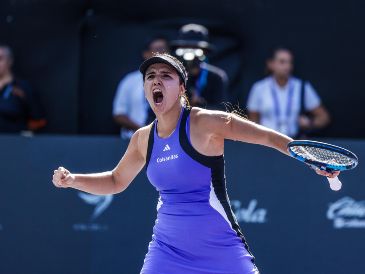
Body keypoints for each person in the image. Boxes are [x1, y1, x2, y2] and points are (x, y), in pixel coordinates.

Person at [52, 53, 338, 273]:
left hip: (222, 249)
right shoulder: (143, 138)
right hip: (166, 251)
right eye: (150, 76)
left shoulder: (204, 122)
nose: (156, 81)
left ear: (181, 88)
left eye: (166, 76)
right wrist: (73, 180)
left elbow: (268, 138)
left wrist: (308, 157)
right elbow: (116, 181)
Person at [247, 47, 330, 138]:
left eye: (290, 62)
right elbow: (253, 121)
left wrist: (309, 123)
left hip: (293, 142)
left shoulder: (301, 87)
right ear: (270, 64)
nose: (287, 66)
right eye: (282, 62)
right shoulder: (259, 88)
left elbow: (324, 117)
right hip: (267, 143)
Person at [112, 36, 169, 139]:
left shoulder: (174, 81)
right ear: (146, 54)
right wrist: (143, 130)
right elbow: (119, 114)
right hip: (133, 140)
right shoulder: (130, 81)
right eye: (157, 50)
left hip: (166, 142)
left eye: (164, 50)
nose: (162, 54)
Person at [170, 23, 228, 109]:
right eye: (186, 48)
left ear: (204, 51)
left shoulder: (216, 77)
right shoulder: (172, 76)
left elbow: (222, 110)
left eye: (195, 48)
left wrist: (200, 104)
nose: (190, 53)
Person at [0, 44, 46, 133]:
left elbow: (39, 119)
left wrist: (23, 133)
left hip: (14, 141)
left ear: (9, 61)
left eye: (0, 58)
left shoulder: (22, 87)